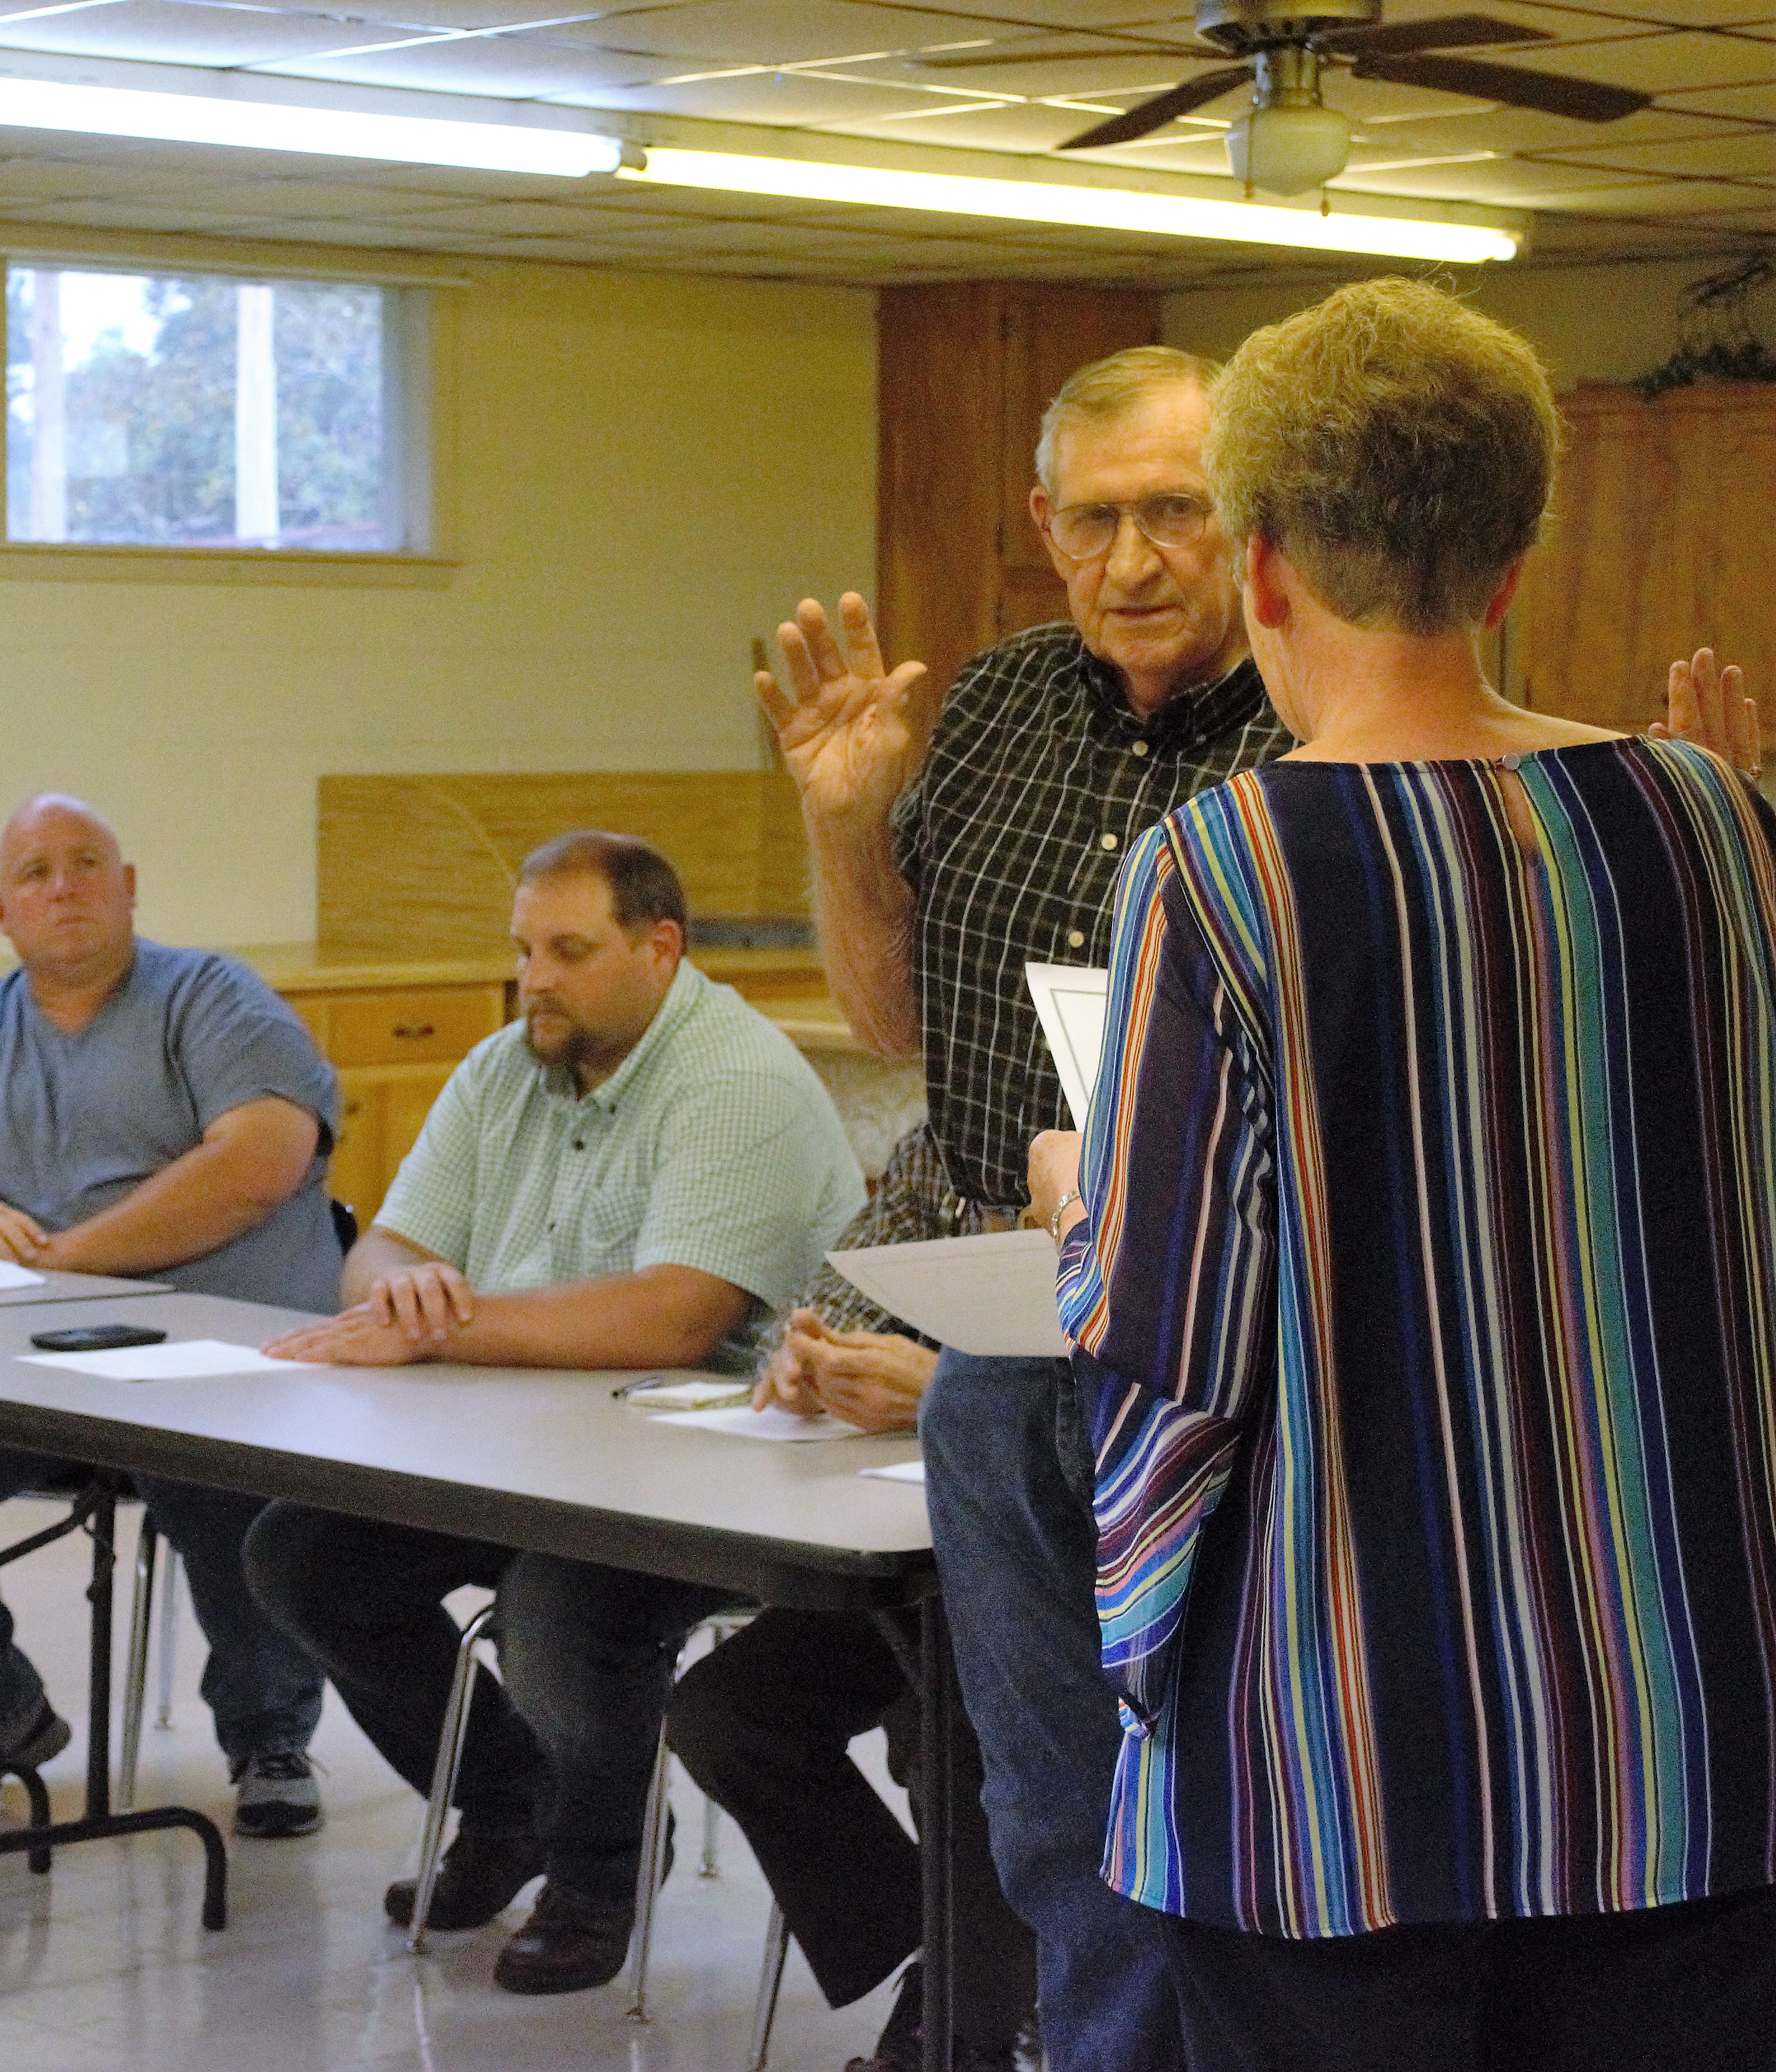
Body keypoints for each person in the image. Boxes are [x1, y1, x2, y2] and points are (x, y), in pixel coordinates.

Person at [1036, 277, 1776, 2071]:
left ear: (1263, 564)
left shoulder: (1220, 867)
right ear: (1511, 563)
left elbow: (1170, 1361)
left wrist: (1078, 1206)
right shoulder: (1717, 819)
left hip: (1331, 1774)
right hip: (1693, 1748)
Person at [759, 343, 1291, 2069]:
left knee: (1235, 1780)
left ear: (1252, 518)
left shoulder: (1318, 730)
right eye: (1091, 520)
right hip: (1001, 1351)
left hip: (1230, 1355)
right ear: (1042, 524)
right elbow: (893, 1023)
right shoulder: (993, 702)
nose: (1129, 562)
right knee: (1041, 1796)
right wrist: (847, 825)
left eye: (1174, 513)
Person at [241, 832, 865, 1996]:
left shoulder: (738, 1081)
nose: (535, 979)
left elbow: (675, 1318)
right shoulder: (505, 1067)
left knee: (561, 1603)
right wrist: (402, 1292)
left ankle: (597, 1870)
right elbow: (381, 1249)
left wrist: (441, 1327)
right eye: (524, 950)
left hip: (716, 1469)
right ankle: (512, 1806)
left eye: (569, 952)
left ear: (661, 949)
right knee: (303, 1556)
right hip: (525, 1448)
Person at [0, 793, 336, 1836]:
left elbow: (263, 1158)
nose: (64, 887)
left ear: (129, 888)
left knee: (235, 1462)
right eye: (35, 873)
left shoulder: (214, 999)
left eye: (87, 863)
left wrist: (71, 1260)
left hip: (209, 1356)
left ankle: (270, 1735)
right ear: (1, 912)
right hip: (18, 1377)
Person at [664, 1128, 1039, 2072]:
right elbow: (828, 1300)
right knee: (725, 1713)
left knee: (945, 1731)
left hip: (1057, 1557)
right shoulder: (938, 1147)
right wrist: (806, 1361)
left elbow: (1130, 1386)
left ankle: (963, 2017)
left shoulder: (1132, 1143)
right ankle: (958, 1954)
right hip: (912, 1541)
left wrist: (950, 1392)